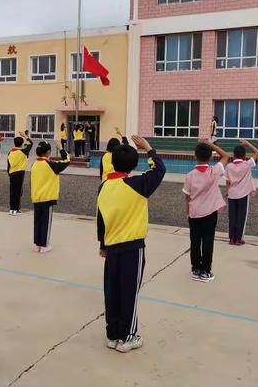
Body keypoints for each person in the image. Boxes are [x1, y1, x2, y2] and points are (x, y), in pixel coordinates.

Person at [97, 136, 165, 353]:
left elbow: (101, 217)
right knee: (129, 292)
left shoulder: (104, 186)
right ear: (134, 165)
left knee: (112, 291)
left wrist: (102, 244)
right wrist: (149, 149)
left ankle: (112, 334)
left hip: (112, 247)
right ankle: (127, 336)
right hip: (132, 248)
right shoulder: (137, 184)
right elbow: (159, 170)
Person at [183, 139, 229, 283]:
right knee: (208, 241)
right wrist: (210, 144)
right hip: (210, 214)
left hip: (194, 213)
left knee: (195, 242)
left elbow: (187, 197)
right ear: (210, 157)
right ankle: (206, 271)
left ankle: (196, 269)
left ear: (195, 156)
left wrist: (187, 213)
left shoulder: (190, 175)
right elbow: (226, 156)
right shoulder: (214, 172)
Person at [31, 139, 70, 253]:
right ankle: (44, 245)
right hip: (47, 197)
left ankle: (37, 244)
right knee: (46, 222)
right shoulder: (51, 165)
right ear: (48, 152)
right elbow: (67, 160)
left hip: (37, 197)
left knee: (37, 221)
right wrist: (61, 148)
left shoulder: (34, 164)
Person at [225, 139, 258, 245]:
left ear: (233, 155)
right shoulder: (247, 164)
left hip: (232, 194)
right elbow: (257, 152)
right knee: (241, 216)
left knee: (232, 217)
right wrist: (247, 143)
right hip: (243, 195)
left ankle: (232, 238)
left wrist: (227, 192)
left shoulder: (229, 166)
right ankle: (239, 238)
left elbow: (227, 181)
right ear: (244, 155)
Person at [7, 130, 33, 216]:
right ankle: (16, 209)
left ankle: (11, 209)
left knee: (12, 191)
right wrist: (25, 136)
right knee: (18, 191)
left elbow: (8, 165)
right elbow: (31, 143)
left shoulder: (10, 152)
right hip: (20, 173)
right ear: (22, 144)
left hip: (12, 173)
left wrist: (9, 173)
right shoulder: (23, 152)